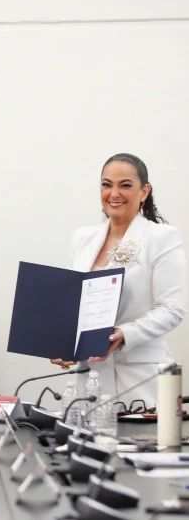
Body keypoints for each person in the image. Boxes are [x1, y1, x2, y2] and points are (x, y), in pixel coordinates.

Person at [52, 153, 186, 407]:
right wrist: (61, 342)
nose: (114, 193)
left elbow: (173, 308)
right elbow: (72, 305)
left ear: (144, 191)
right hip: (89, 377)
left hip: (140, 378)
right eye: (106, 184)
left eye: (125, 185)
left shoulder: (161, 237)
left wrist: (124, 333)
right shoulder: (82, 238)